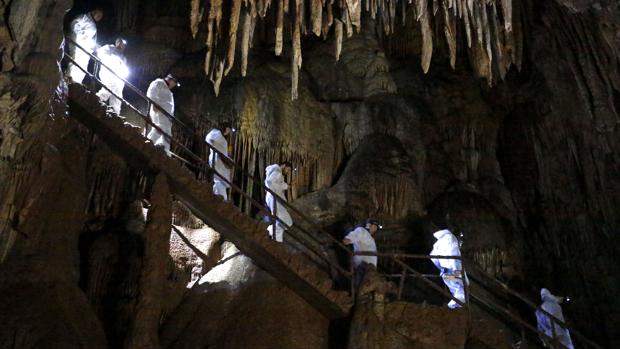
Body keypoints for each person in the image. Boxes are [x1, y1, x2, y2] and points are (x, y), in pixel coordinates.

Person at [430, 229, 468, 308]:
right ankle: (454, 307)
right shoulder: (451, 239)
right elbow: (454, 254)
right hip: (453, 270)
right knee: (464, 285)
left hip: (445, 273)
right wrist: (455, 269)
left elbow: (433, 257)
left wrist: (440, 268)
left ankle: (454, 307)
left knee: (456, 290)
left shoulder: (438, 242)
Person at [67, 8, 103, 83]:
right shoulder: (84, 17)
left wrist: (94, 47)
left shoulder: (93, 26)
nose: (99, 18)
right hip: (78, 44)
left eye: (100, 17)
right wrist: (82, 34)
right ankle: (69, 78)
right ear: (93, 12)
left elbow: (91, 39)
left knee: (83, 65)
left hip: (85, 49)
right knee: (76, 60)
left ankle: (77, 82)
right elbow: (74, 23)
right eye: (98, 15)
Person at [146, 74, 178, 155]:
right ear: (171, 80)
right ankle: (148, 143)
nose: (174, 86)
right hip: (159, 112)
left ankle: (165, 152)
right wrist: (154, 104)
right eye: (174, 83)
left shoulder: (168, 91)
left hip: (167, 116)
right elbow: (151, 93)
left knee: (167, 134)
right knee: (160, 128)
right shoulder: (159, 83)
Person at [95, 38, 129, 115]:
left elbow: (125, 69)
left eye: (124, 44)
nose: (122, 45)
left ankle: (115, 113)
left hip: (119, 77)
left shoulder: (123, 58)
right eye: (121, 43)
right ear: (117, 42)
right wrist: (113, 57)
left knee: (118, 95)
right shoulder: (109, 48)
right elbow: (100, 53)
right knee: (109, 87)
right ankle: (97, 98)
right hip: (108, 73)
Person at [343, 219, 381, 287]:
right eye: (374, 227)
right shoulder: (361, 231)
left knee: (365, 285)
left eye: (376, 228)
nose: (375, 229)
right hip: (363, 264)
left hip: (370, 267)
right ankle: (354, 294)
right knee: (359, 284)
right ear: (368, 225)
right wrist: (348, 239)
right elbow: (354, 235)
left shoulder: (371, 238)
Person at [264, 162, 293, 242]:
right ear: (284, 165)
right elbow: (270, 183)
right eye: (288, 169)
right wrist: (285, 186)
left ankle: (276, 239)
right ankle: (270, 231)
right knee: (286, 220)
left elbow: (274, 184)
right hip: (274, 199)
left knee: (283, 221)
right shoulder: (277, 172)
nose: (288, 172)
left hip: (273, 199)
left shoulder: (275, 172)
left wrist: (285, 186)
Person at [205, 126, 233, 200]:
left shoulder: (220, 135)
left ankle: (217, 196)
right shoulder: (217, 133)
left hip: (219, 159)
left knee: (219, 179)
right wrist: (214, 148)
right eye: (228, 129)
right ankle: (221, 199)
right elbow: (209, 139)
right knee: (220, 180)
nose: (228, 131)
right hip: (218, 159)